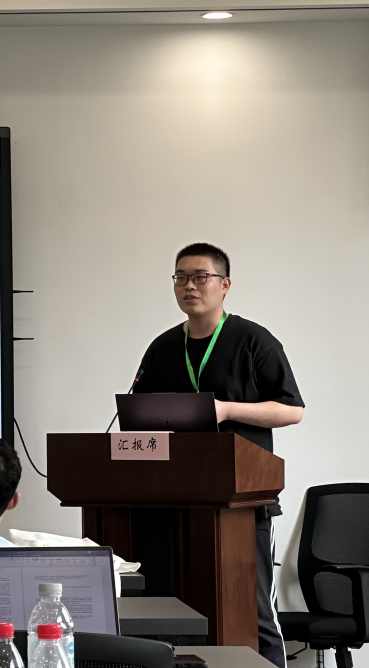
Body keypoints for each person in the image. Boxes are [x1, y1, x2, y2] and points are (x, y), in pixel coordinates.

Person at [133, 243, 303, 668]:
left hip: (242, 502)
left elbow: (292, 409)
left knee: (254, 611)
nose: (189, 286)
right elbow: (138, 414)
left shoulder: (253, 340)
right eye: (180, 277)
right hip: (174, 501)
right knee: (175, 610)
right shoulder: (162, 347)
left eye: (200, 277)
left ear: (225, 285)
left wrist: (227, 410)